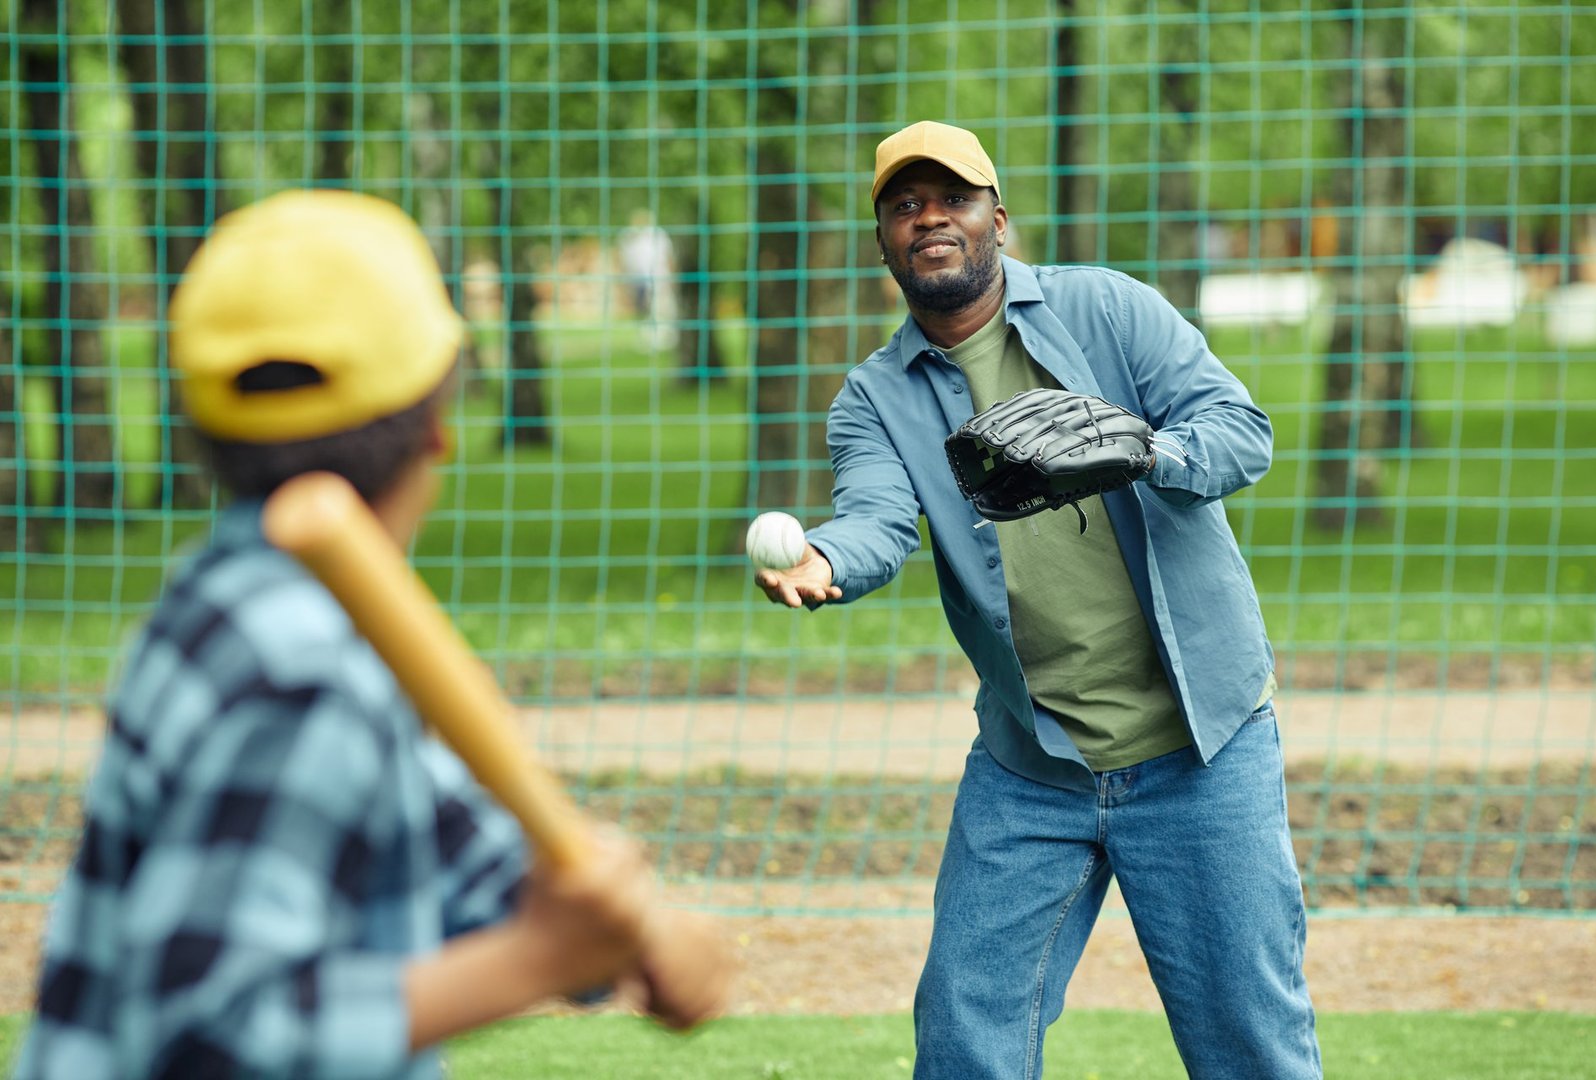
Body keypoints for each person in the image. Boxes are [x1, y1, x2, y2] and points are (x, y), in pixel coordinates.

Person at [14, 190, 728, 1079]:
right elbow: (207, 1038)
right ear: (438, 422)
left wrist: (628, 931)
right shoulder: (299, 666)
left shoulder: (232, 596)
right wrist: (538, 961)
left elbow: (452, 838)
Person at [755, 121, 1321, 1079]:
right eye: (904, 205)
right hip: (1033, 769)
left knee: (1250, 1047)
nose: (928, 217)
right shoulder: (873, 397)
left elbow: (1242, 431)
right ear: (886, 240)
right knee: (963, 1033)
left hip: (1202, 751)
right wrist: (825, 558)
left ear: (998, 220)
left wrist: (1146, 450)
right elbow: (879, 520)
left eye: (952, 199)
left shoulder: (1109, 310)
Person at [616, 208, 679, 350]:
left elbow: (668, 257)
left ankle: (663, 338)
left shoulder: (658, 235)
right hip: (637, 279)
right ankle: (649, 337)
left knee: (660, 308)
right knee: (643, 309)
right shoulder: (628, 236)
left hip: (659, 277)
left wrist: (671, 277)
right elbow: (623, 258)